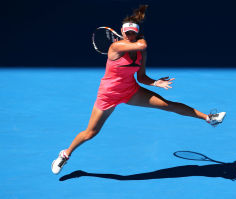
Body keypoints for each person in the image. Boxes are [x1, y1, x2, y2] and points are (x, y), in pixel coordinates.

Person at [51, 5, 226, 174]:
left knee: (167, 104)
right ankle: (65, 154)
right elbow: (142, 45)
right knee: (91, 133)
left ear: (135, 33)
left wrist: (156, 83)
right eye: (127, 33)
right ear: (121, 32)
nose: (129, 36)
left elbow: (141, 77)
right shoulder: (115, 47)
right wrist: (141, 38)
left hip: (130, 91)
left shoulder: (141, 52)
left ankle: (209, 118)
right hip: (108, 96)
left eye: (132, 33)